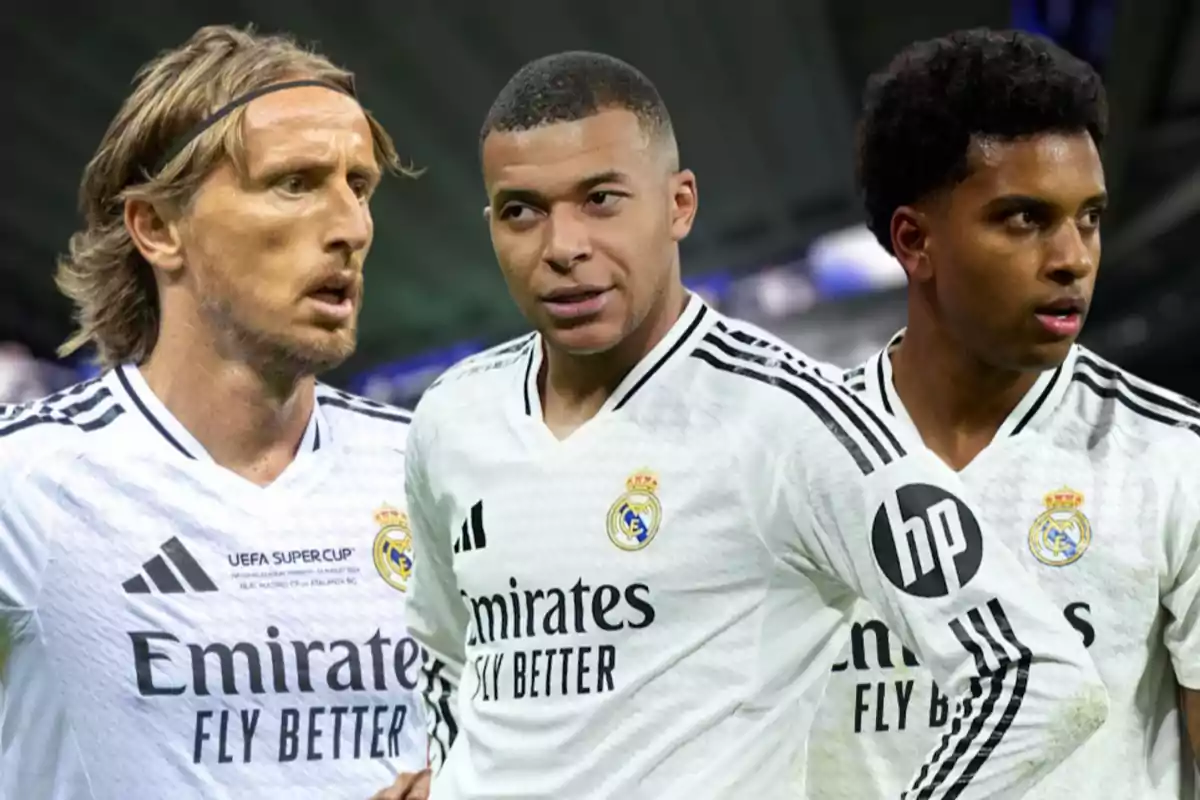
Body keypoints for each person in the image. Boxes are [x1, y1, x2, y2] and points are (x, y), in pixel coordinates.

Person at [387, 50, 1108, 800]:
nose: (562, 246)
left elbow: (1036, 676)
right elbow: (445, 654)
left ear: (679, 205)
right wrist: (448, 770)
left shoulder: (793, 420)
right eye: (522, 210)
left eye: (600, 199)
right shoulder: (451, 417)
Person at [0, 25, 426, 799]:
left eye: (358, 186)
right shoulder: (28, 480)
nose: (352, 228)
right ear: (159, 229)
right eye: (294, 182)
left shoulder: (431, 470)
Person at [803, 28, 1200, 800]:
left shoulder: (1174, 459)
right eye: (1025, 219)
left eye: (1088, 217)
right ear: (914, 241)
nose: (1074, 257)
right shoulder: (796, 460)